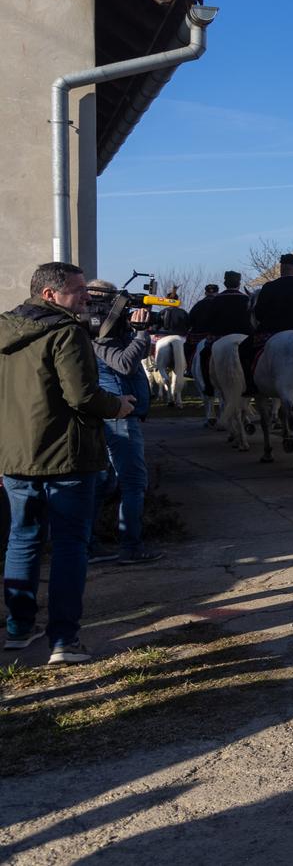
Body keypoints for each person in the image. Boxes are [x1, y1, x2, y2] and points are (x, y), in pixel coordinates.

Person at [0, 262, 135, 664]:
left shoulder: (6, 331)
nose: (86, 297)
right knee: (69, 546)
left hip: (17, 457)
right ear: (49, 295)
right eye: (78, 290)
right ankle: (64, 640)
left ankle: (18, 629)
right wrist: (119, 407)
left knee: (21, 541)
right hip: (66, 456)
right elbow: (83, 396)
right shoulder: (67, 332)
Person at [83, 281, 163, 565]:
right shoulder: (99, 334)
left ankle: (89, 545)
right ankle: (131, 546)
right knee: (133, 482)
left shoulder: (106, 332)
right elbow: (125, 364)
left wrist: (137, 333)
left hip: (118, 412)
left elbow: (138, 354)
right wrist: (140, 332)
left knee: (104, 482)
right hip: (118, 414)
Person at [252, 254, 293, 412]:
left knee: (244, 350)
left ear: (282, 268)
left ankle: (249, 386)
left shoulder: (268, 287)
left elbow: (259, 313)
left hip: (271, 333)